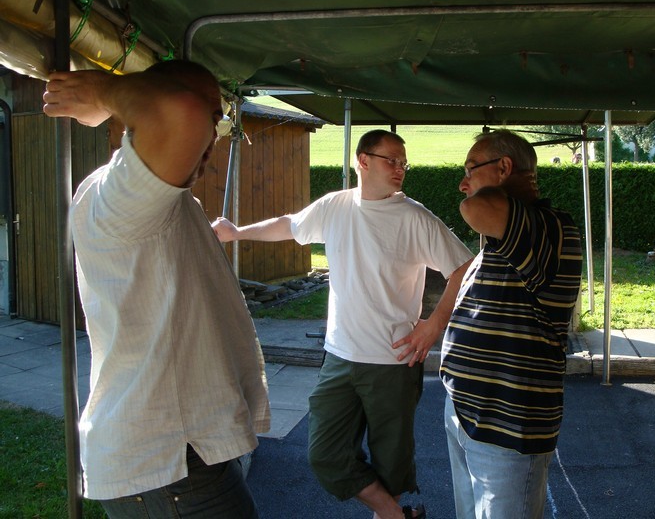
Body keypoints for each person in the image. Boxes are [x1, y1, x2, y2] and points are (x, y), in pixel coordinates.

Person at [42, 60, 270, 518]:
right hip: (168, 464)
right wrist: (101, 92)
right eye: (207, 117)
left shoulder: (158, 196)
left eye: (216, 121)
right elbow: (180, 116)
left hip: (182, 456)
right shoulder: (122, 197)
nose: (207, 136)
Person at [213, 129, 473, 519]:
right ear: (363, 161)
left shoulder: (414, 217)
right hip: (339, 356)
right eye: (391, 160)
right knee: (325, 454)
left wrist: (433, 325)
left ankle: (388, 514)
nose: (400, 168)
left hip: (393, 361)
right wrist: (237, 233)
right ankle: (397, 516)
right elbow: (289, 225)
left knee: (391, 461)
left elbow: (464, 268)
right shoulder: (335, 206)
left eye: (404, 162)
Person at [440, 129, 582, 519]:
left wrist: (483, 190)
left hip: (507, 426)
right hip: (469, 413)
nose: (463, 183)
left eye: (471, 169)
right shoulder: (512, 237)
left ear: (504, 168)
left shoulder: (546, 227)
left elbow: (474, 208)